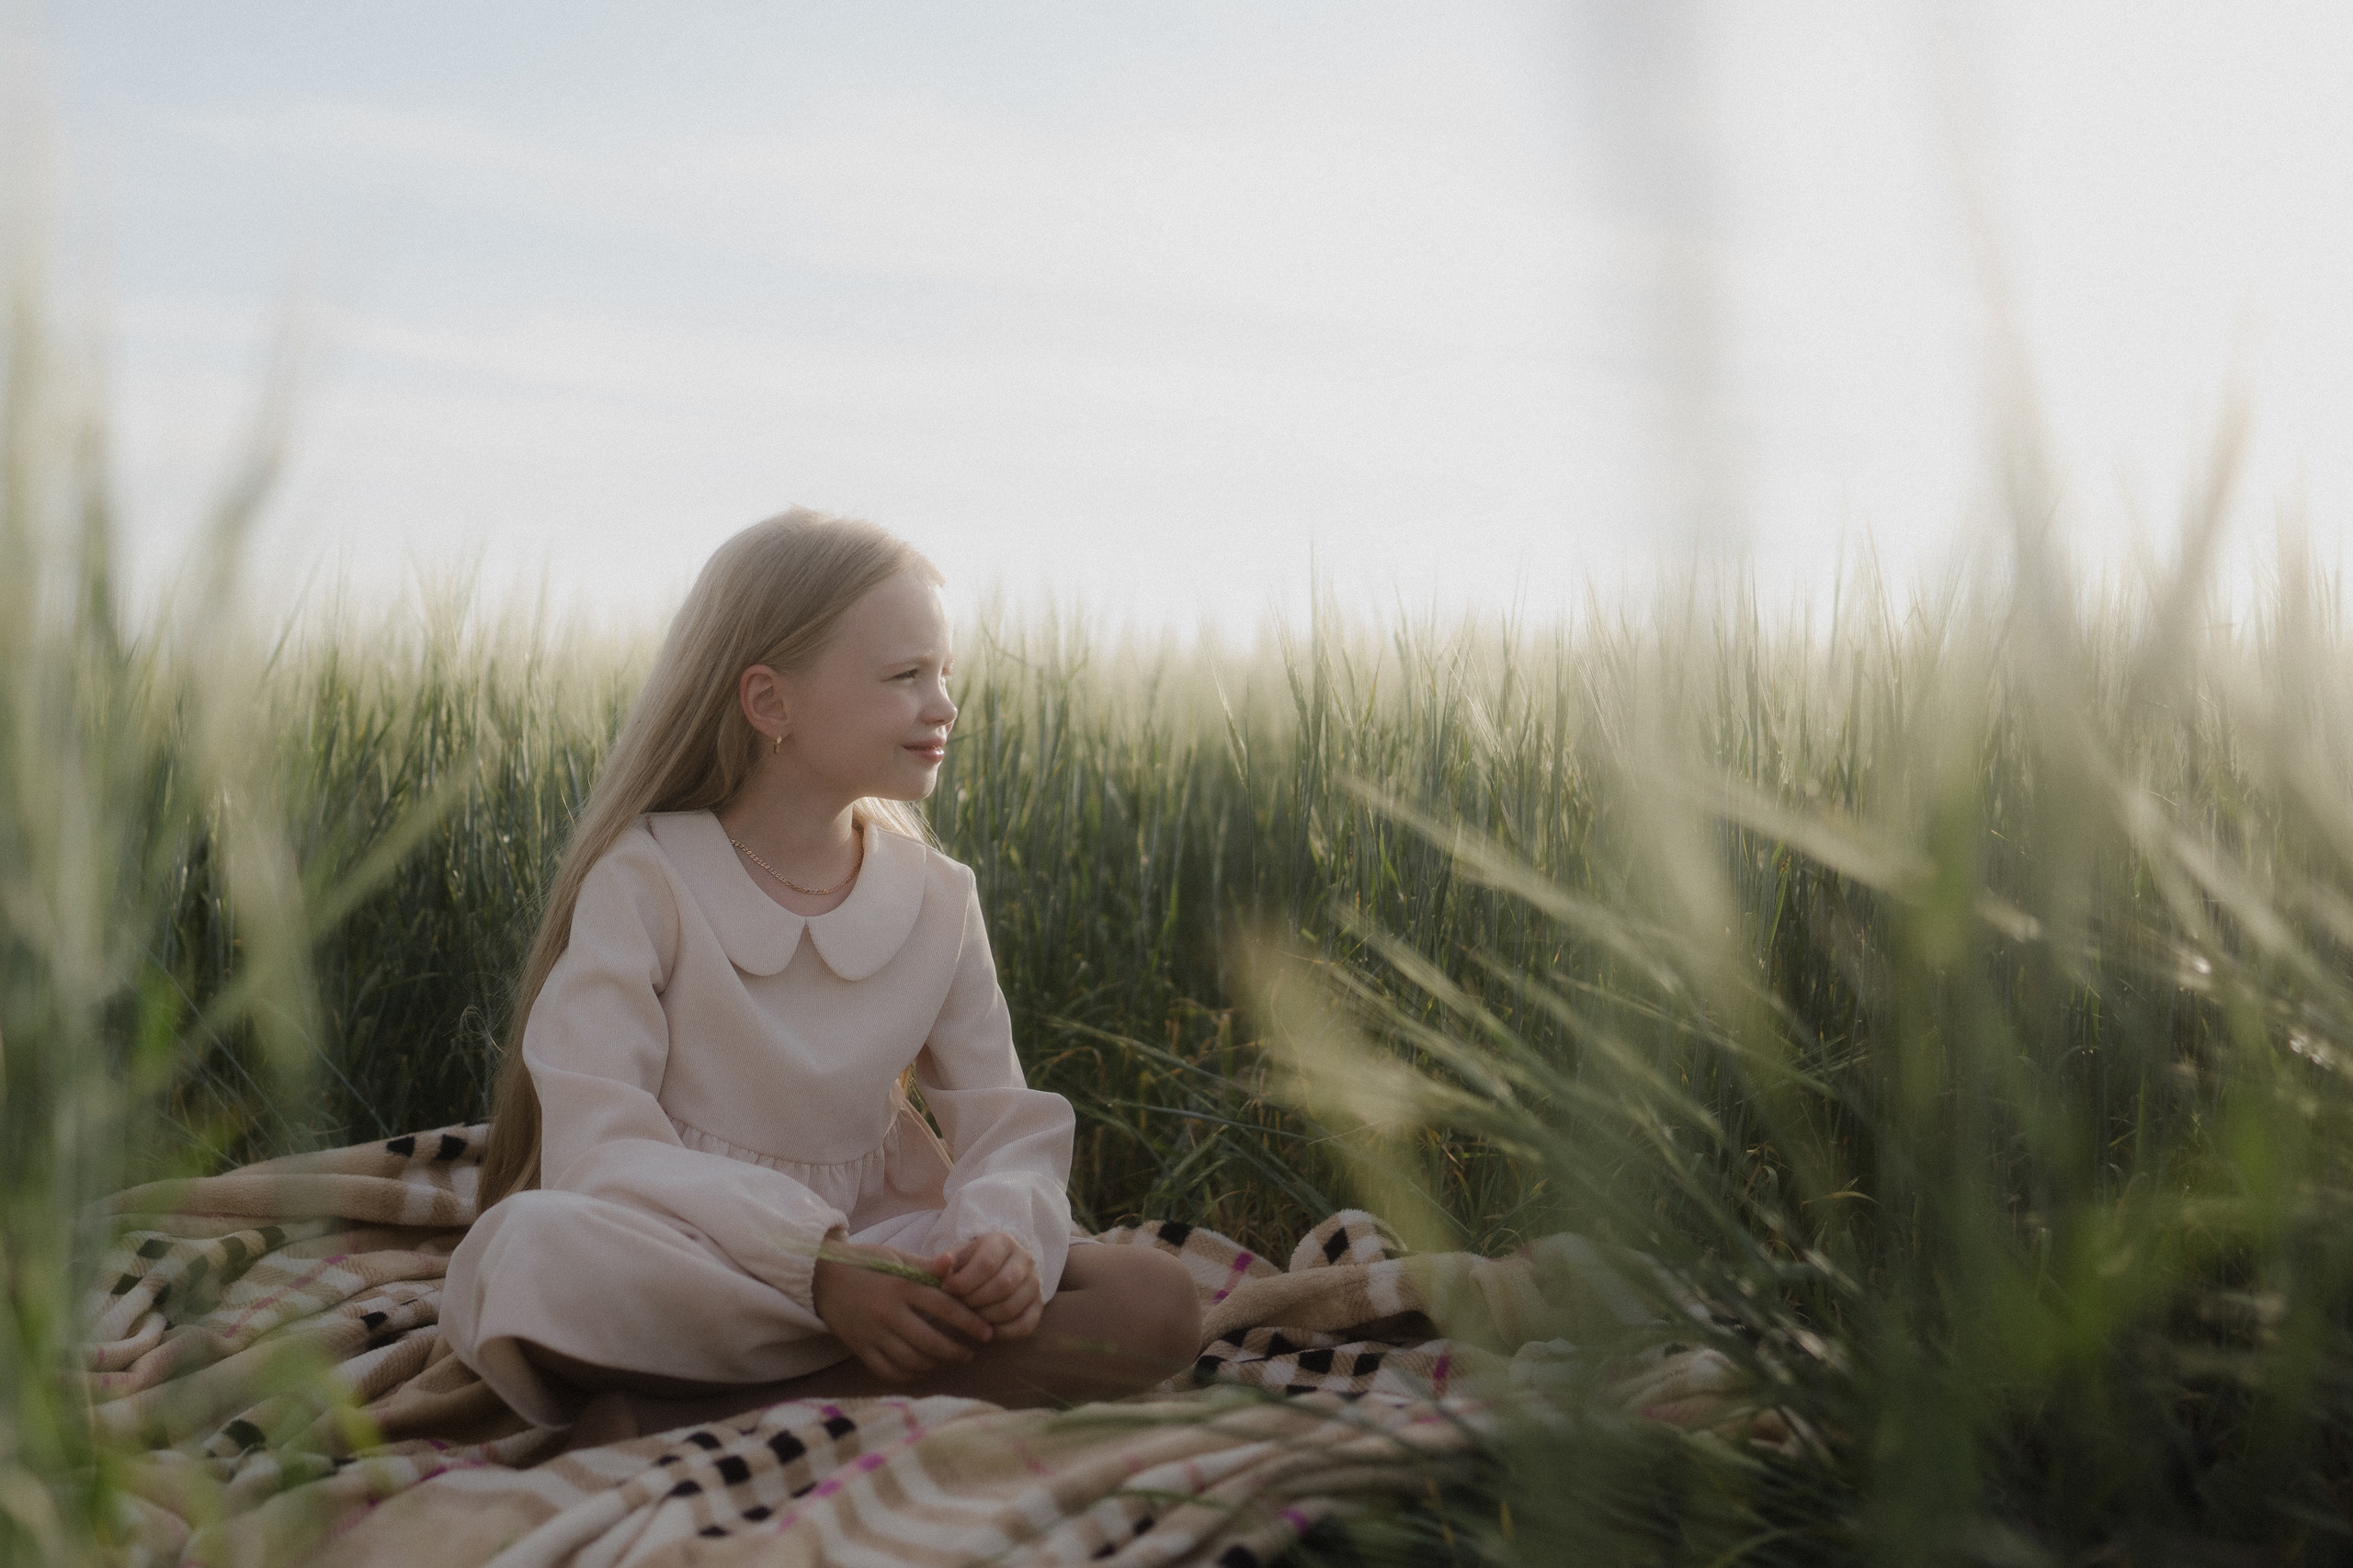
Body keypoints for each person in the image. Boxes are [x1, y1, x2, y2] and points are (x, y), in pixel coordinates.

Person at [441, 508, 1201, 1439]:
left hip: (888, 1255)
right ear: (770, 702)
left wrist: (1000, 1237)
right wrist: (816, 1266)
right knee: (527, 1251)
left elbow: (1004, 1123)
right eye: (905, 676)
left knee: (1155, 1297)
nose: (944, 706)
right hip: (696, 1255)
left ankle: (703, 1412)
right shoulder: (644, 879)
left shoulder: (939, 898)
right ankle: (874, 1385)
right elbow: (598, 1148)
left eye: (946, 674)